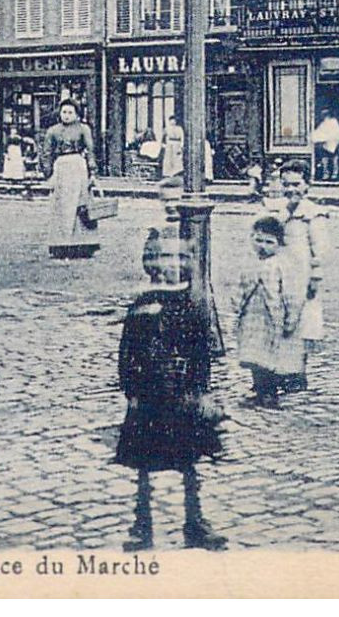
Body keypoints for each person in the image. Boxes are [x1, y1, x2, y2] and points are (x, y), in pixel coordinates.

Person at [116, 220, 226, 552]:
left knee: (190, 458)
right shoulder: (143, 304)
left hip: (183, 394)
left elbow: (201, 351)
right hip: (150, 394)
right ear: (151, 263)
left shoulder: (191, 303)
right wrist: (132, 391)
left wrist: (202, 388)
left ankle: (195, 520)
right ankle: (141, 521)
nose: (172, 266)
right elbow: (128, 351)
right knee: (145, 462)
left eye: (179, 259)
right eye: (164, 258)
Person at [236, 216, 310, 408]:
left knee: (271, 357)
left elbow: (291, 294)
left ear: (279, 244)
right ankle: (258, 388)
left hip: (273, 318)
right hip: (252, 317)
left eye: (270, 242)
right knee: (254, 356)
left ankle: (269, 393)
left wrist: (291, 318)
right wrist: (236, 306)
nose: (263, 246)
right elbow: (241, 287)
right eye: (258, 240)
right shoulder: (249, 262)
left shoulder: (282, 265)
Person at [271, 161, 331, 388]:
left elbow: (321, 249)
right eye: (286, 184)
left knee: (302, 324)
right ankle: (281, 370)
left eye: (296, 184)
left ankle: (298, 374)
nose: (291, 190)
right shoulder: (279, 210)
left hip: (303, 276)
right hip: (281, 274)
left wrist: (315, 276)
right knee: (281, 322)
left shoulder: (313, 214)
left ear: (308, 185)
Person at [41, 100, 100, 259]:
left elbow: (90, 150)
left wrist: (92, 172)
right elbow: (46, 153)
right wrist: (48, 174)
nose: (66, 116)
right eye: (64, 112)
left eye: (70, 112)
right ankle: (60, 245)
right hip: (61, 168)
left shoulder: (83, 129)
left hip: (78, 167)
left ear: (77, 114)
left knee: (81, 205)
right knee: (61, 207)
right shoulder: (53, 131)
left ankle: (83, 245)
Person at [310, 110, 339, 183]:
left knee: (334, 160)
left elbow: (338, 134)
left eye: (323, 115)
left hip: (334, 144)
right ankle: (328, 174)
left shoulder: (333, 122)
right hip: (327, 144)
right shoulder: (323, 124)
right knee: (326, 160)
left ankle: (333, 174)